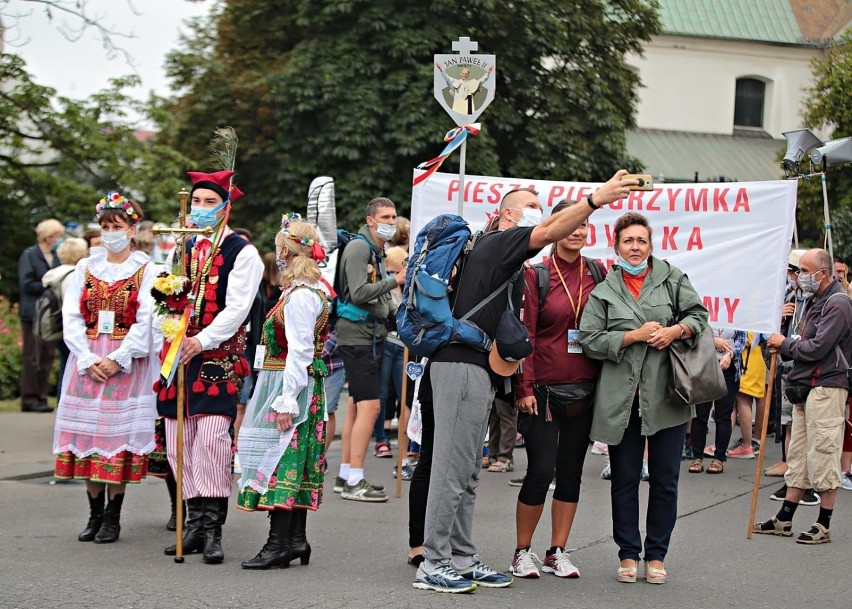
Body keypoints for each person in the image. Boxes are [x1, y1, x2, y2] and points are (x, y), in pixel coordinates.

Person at [413, 171, 635, 593]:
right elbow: (551, 230)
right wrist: (597, 198)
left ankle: (461, 556)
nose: (538, 212)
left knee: (467, 472)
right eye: (531, 205)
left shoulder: (499, 253)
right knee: (450, 471)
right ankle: (434, 562)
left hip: (477, 368)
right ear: (509, 213)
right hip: (460, 367)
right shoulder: (500, 241)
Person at [579, 211, 710, 585]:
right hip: (622, 400)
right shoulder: (604, 290)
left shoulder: (672, 278)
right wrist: (632, 337)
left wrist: (675, 331)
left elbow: (698, 316)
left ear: (651, 245)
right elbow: (588, 339)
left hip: (667, 395)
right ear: (616, 245)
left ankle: (656, 554)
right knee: (624, 478)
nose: (635, 248)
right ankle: (628, 553)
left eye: (641, 241)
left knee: (666, 479)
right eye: (628, 241)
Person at [157, 170, 264, 564]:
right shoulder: (182, 248)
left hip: (215, 357)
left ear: (225, 207)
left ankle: (212, 528)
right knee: (179, 442)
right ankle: (194, 523)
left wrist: (199, 340)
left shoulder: (243, 251)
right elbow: (167, 296)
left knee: (212, 442)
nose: (200, 209)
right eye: (196, 202)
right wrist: (171, 332)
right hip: (178, 354)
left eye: (208, 202)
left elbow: (237, 309)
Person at [52, 193, 158, 543]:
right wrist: (85, 356)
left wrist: (117, 358)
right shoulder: (85, 267)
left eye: (118, 226)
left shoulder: (146, 269)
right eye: (106, 226)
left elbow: (146, 321)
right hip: (88, 359)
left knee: (116, 438)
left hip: (125, 362)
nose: (111, 232)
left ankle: (113, 514)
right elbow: (71, 316)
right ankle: (94, 512)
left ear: (132, 229)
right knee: (88, 437)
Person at [509, 199, 606, 579]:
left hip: (585, 389)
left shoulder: (598, 272)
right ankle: (521, 552)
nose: (578, 231)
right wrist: (524, 386)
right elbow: (525, 334)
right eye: (571, 224)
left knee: (571, 473)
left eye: (584, 225)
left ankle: (557, 551)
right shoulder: (537, 274)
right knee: (540, 471)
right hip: (543, 393)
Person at [236, 215, 330, 569]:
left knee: (282, 460)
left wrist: (287, 399)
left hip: (292, 383)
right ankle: (295, 541)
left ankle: (279, 543)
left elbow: (301, 351)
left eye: (279, 248)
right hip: (292, 381)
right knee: (291, 458)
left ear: (285, 251)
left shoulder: (302, 297)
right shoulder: (300, 293)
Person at [754, 248, 852, 544]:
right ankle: (785, 517)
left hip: (826, 386)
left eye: (804, 271)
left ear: (822, 274)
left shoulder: (838, 304)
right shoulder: (813, 301)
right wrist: (781, 344)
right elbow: (802, 342)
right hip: (807, 386)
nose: (799, 277)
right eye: (797, 272)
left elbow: (817, 347)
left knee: (822, 455)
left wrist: (784, 344)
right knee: (799, 456)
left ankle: (823, 523)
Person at [335, 197, 405, 502]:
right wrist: (395, 281)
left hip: (369, 334)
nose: (391, 222)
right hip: (357, 336)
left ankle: (347, 475)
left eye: (394, 216)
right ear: (371, 220)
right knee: (371, 407)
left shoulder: (375, 249)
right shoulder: (359, 248)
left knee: (355, 406)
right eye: (386, 217)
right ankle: (356, 481)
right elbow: (360, 292)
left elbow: (378, 299)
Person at [18, 218, 64, 412]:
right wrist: (48, 285)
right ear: (47, 236)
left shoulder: (55, 255)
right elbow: (26, 283)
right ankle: (29, 398)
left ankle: (42, 397)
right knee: (32, 355)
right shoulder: (29, 255)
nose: (58, 239)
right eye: (55, 236)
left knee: (47, 355)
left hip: (49, 313)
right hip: (32, 312)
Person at [687, 328, 746, 474]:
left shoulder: (738, 309)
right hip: (703, 365)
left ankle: (719, 458)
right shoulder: (705, 307)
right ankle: (697, 457)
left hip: (729, 367)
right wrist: (712, 341)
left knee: (723, 415)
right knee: (700, 414)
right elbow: (693, 333)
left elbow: (742, 339)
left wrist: (730, 354)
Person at [42, 238, 89, 399]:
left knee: (64, 364)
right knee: (70, 367)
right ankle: (66, 400)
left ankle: (61, 400)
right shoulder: (72, 275)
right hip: (69, 326)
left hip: (56, 325)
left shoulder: (54, 273)